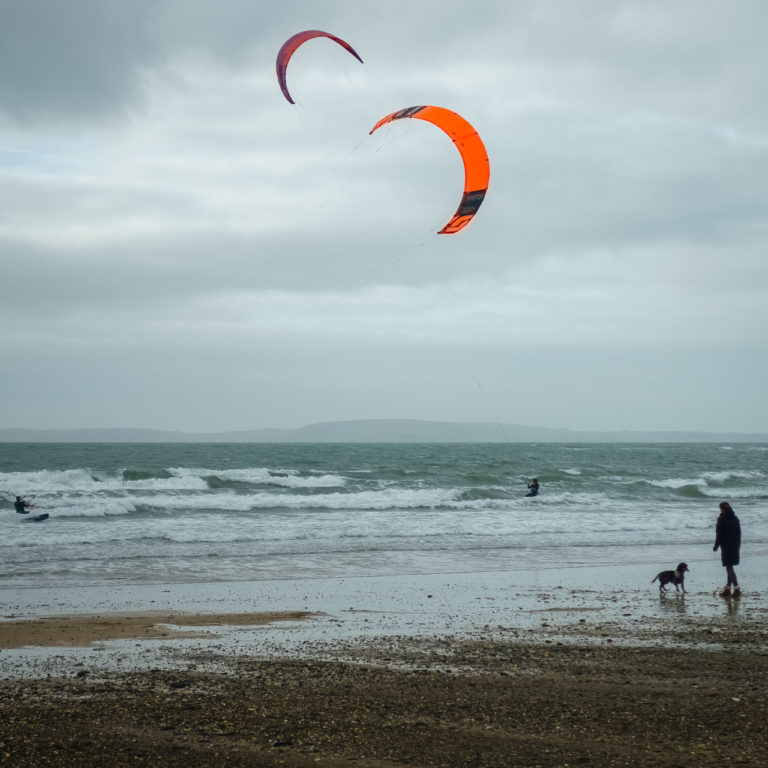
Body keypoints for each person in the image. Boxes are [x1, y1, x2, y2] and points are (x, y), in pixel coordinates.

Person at [713, 501, 741, 598]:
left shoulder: (721, 519)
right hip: (735, 544)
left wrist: (716, 546)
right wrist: (738, 545)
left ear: (721, 509)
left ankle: (736, 588)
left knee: (729, 567)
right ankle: (728, 589)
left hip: (726, 546)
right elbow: (739, 533)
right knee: (730, 566)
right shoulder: (735, 518)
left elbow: (719, 534)